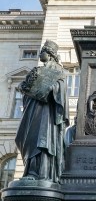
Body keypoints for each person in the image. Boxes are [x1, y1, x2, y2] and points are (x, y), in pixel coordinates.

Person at [15, 40, 69, 183]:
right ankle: (29, 171)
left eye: (43, 51)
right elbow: (24, 89)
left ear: (50, 54)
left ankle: (41, 173)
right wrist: (25, 88)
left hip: (46, 113)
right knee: (27, 139)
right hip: (32, 110)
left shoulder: (58, 72)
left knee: (42, 140)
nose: (40, 54)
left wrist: (51, 90)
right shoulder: (36, 71)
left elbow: (61, 92)